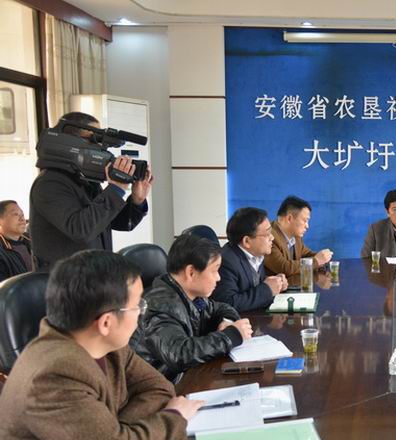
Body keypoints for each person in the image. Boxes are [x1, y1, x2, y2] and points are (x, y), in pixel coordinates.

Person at [0, 250, 204, 440]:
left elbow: (159, 388)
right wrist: (173, 417)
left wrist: (114, 433)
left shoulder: (108, 345)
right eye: (138, 306)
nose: (141, 314)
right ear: (106, 321)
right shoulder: (50, 377)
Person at [29, 112, 155, 271]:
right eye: (93, 139)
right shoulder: (49, 183)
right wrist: (116, 189)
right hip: (66, 281)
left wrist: (137, 201)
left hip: (94, 277)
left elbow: (113, 221)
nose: (98, 147)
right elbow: (81, 230)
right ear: (69, 142)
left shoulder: (85, 180)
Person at [131, 234, 253, 378]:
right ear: (191, 273)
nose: (219, 278)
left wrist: (227, 322)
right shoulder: (161, 306)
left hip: (187, 377)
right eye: (214, 271)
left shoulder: (192, 295)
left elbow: (221, 308)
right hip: (163, 385)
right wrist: (230, 335)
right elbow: (179, 354)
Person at [211, 207, 288, 312]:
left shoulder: (256, 253)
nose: (272, 238)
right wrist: (267, 289)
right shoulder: (226, 262)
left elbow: (250, 283)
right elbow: (228, 303)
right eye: (267, 234)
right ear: (247, 241)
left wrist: (275, 282)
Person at [264, 195, 333, 276]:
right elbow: (284, 268)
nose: (307, 226)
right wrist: (316, 261)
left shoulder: (295, 236)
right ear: (289, 218)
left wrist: (323, 258)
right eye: (305, 220)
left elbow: (306, 254)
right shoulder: (269, 236)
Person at [0, 200, 32, 282]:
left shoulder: (31, 240)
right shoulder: (2, 250)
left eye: (22, 214)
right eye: (15, 214)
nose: (22, 219)